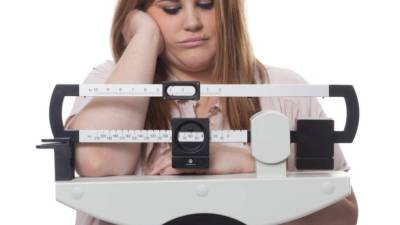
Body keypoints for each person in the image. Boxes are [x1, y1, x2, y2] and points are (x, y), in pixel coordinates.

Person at [65, 0, 358, 224]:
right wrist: (143, 38)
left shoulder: (283, 90)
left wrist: (253, 168)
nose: (192, 22)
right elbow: (99, 162)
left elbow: (344, 215)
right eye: (170, 8)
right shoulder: (111, 81)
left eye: (206, 4)